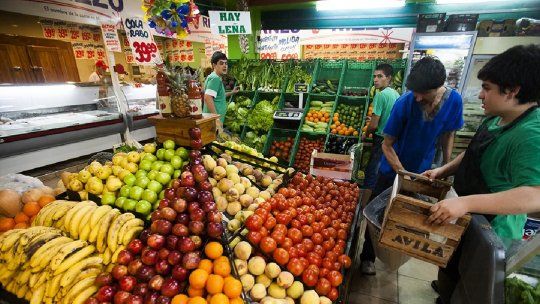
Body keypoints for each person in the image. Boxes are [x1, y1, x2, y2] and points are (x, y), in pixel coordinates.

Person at [423, 44, 540, 304]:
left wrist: (465, 203)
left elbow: (534, 196)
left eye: (487, 88)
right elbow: (474, 151)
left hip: (493, 231)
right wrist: (444, 169)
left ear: (512, 91)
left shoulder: (531, 135)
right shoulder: (496, 117)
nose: (480, 96)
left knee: (472, 289)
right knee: (451, 269)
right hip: (467, 218)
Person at [359, 56, 464, 275]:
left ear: (438, 87)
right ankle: (367, 257)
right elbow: (387, 145)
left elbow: (448, 134)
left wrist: (446, 167)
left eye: (422, 93)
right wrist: (402, 174)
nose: (417, 97)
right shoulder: (405, 102)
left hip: (424, 172)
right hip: (391, 170)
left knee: (408, 219)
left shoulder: (454, 101)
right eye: (414, 91)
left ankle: (394, 254)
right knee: (376, 215)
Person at [362, 63, 401, 190]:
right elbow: (388, 115)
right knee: (382, 173)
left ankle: (365, 207)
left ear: (389, 78)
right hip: (392, 139)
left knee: (371, 173)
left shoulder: (380, 95)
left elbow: (373, 126)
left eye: (380, 76)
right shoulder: (395, 94)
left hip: (380, 140)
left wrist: (365, 134)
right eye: (375, 76)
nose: (376, 79)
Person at [203, 51, 238, 130]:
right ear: (214, 65)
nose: (225, 66)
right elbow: (208, 97)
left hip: (211, 119)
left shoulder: (213, 77)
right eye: (221, 63)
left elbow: (218, 96)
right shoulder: (215, 79)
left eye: (226, 63)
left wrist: (232, 92)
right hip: (212, 121)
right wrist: (216, 119)